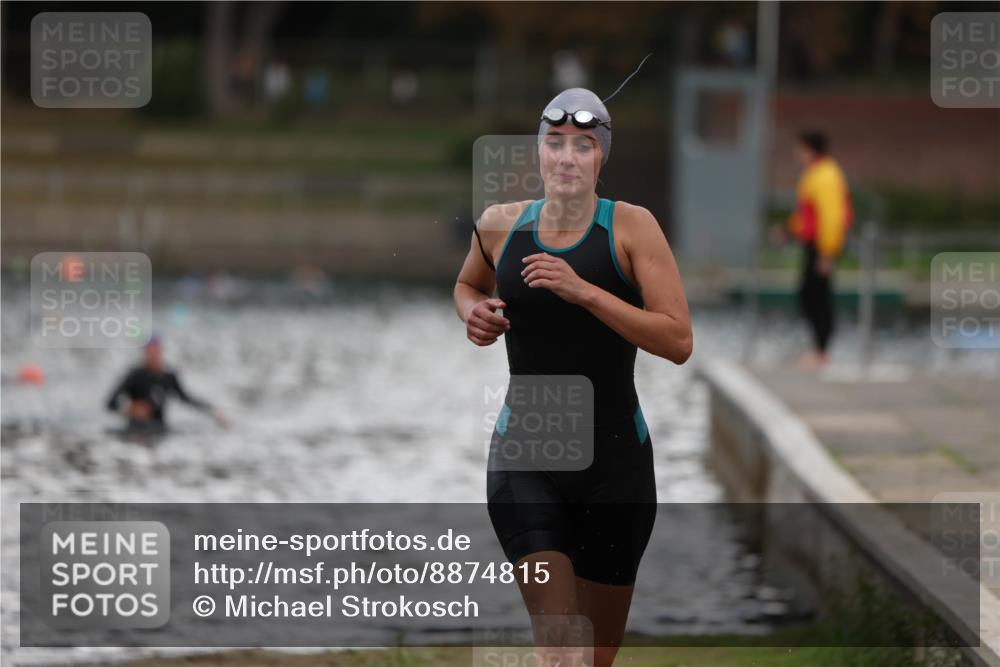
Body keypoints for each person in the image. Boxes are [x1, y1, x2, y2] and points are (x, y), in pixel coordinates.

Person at [453, 88, 692, 667]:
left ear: (600, 158)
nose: (565, 158)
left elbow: (677, 340)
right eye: (554, 144)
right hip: (526, 458)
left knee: (595, 659)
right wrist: (475, 316)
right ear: (538, 152)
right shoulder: (498, 225)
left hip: (617, 469)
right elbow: (467, 287)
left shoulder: (633, 229)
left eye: (581, 146)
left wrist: (584, 292)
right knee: (561, 651)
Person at [781, 130, 853, 369]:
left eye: (800, 149)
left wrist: (827, 253)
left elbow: (831, 217)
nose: (797, 154)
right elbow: (806, 214)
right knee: (810, 295)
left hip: (821, 247)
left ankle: (822, 352)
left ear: (810, 149)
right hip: (814, 245)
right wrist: (787, 230)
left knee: (817, 297)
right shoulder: (816, 174)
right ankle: (819, 349)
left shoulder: (825, 176)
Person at [106, 336, 229, 432]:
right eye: (150, 351)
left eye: (156, 351)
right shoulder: (135, 375)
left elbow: (186, 398)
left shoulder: (168, 377)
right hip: (135, 428)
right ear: (145, 353)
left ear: (161, 352)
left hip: (160, 427)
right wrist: (129, 410)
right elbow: (110, 402)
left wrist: (213, 412)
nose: (153, 355)